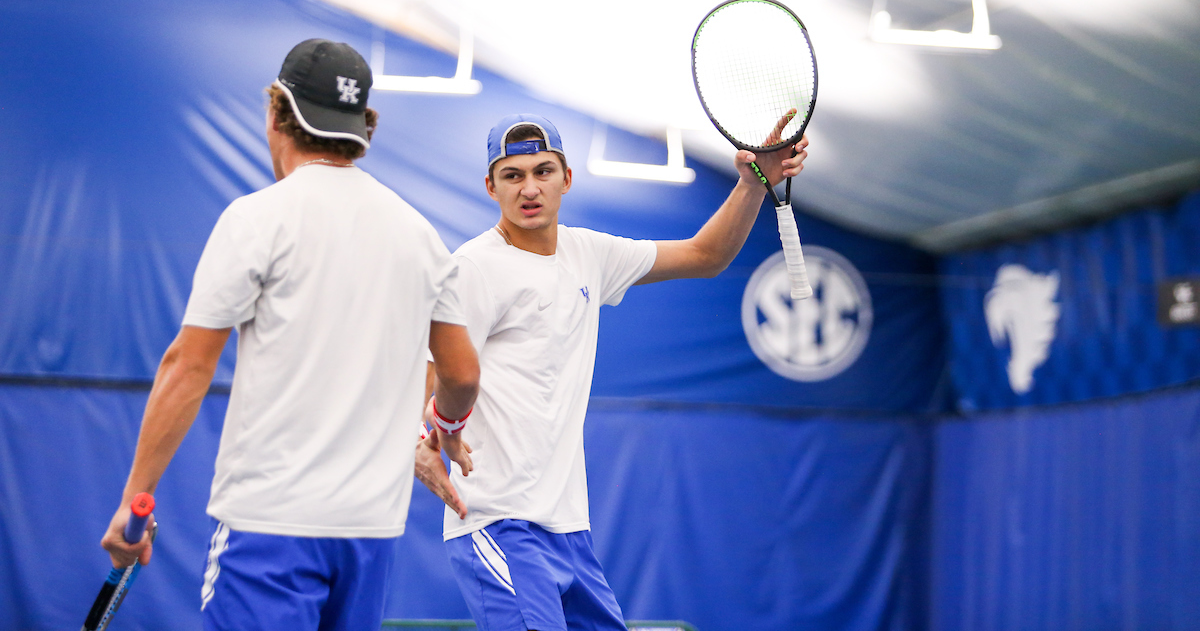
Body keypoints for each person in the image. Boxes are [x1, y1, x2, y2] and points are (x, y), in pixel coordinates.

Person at [101, 39, 479, 630]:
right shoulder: (420, 235)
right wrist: (444, 433)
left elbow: (187, 366)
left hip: (269, 527)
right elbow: (460, 374)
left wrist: (134, 499)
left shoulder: (256, 218)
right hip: (370, 534)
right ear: (366, 126)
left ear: (276, 110)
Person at [418, 113, 807, 631]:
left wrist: (753, 182)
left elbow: (705, 255)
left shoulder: (589, 254)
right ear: (491, 187)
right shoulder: (473, 267)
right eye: (513, 175)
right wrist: (424, 439)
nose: (529, 188)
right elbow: (437, 371)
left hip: (569, 529)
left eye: (543, 171)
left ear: (567, 178)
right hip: (497, 519)